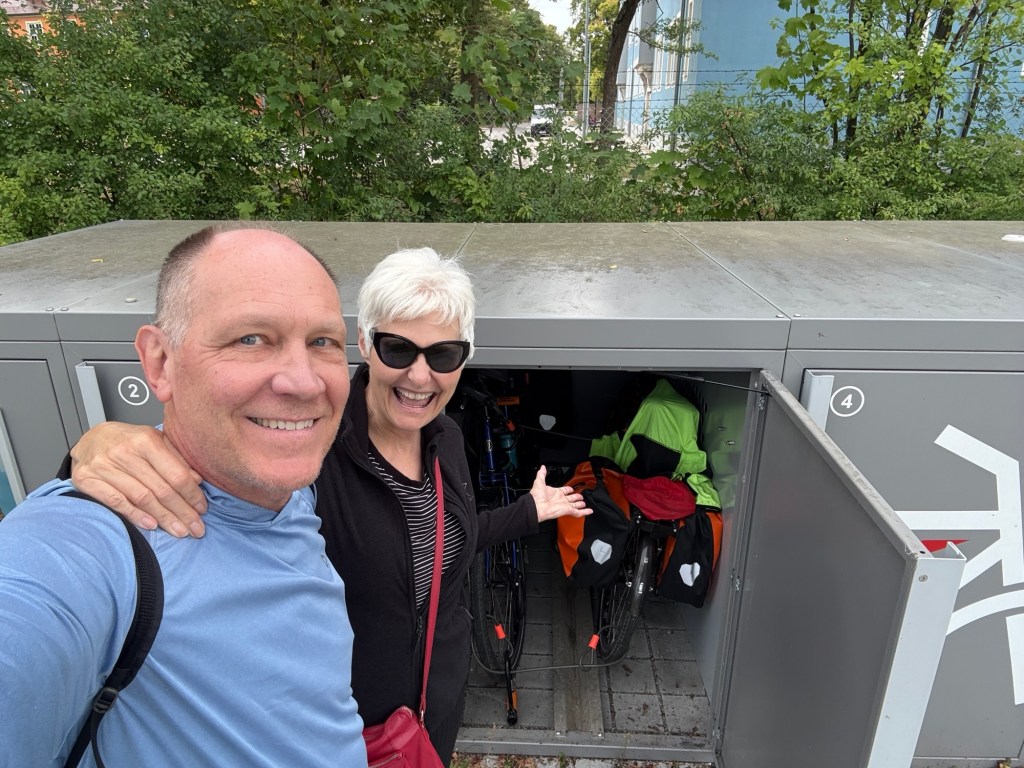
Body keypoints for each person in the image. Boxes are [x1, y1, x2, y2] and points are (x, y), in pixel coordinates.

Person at [64, 246, 591, 765]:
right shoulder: (308, 447)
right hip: (341, 727)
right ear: (363, 342)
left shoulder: (445, 438)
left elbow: (443, 543)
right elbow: (203, 485)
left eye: (444, 354)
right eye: (398, 349)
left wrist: (529, 511)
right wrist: (95, 451)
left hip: (434, 704)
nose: (420, 376)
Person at [0, 224, 368, 767]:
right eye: (251, 339)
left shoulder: (290, 490)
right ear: (159, 363)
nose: (304, 382)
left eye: (322, 342)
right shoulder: (96, 546)